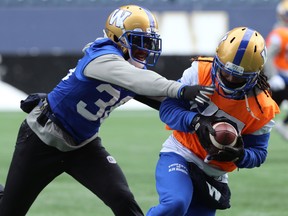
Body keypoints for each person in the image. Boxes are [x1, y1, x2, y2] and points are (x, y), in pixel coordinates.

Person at [0, 5, 214, 216]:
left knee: (122, 198)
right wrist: (181, 89)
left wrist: (204, 118)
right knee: (9, 211)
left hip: (83, 145)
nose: (146, 49)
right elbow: (138, 80)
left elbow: (162, 99)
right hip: (42, 140)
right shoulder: (101, 56)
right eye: (139, 43)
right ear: (116, 38)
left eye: (148, 43)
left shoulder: (132, 70)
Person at [147, 27, 280, 216]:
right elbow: (168, 109)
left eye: (239, 77)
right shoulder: (199, 71)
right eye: (226, 73)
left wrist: (239, 155)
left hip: (214, 173)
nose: (230, 78)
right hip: (181, 153)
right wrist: (196, 121)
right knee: (175, 203)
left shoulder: (263, 106)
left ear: (255, 75)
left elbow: (259, 153)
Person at [265, 0, 288, 140]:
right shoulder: (279, 33)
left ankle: (284, 124)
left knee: (267, 111)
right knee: (264, 111)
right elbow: (268, 55)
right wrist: (273, 76)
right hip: (281, 78)